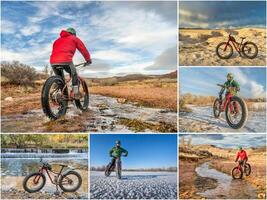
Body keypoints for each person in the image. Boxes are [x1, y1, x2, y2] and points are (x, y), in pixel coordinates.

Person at [50, 28, 91, 99]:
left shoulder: (57, 40)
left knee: (60, 80)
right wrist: (88, 60)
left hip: (53, 62)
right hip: (66, 60)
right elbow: (83, 49)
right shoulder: (74, 38)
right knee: (74, 75)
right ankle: (75, 93)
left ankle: (60, 95)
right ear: (74, 34)